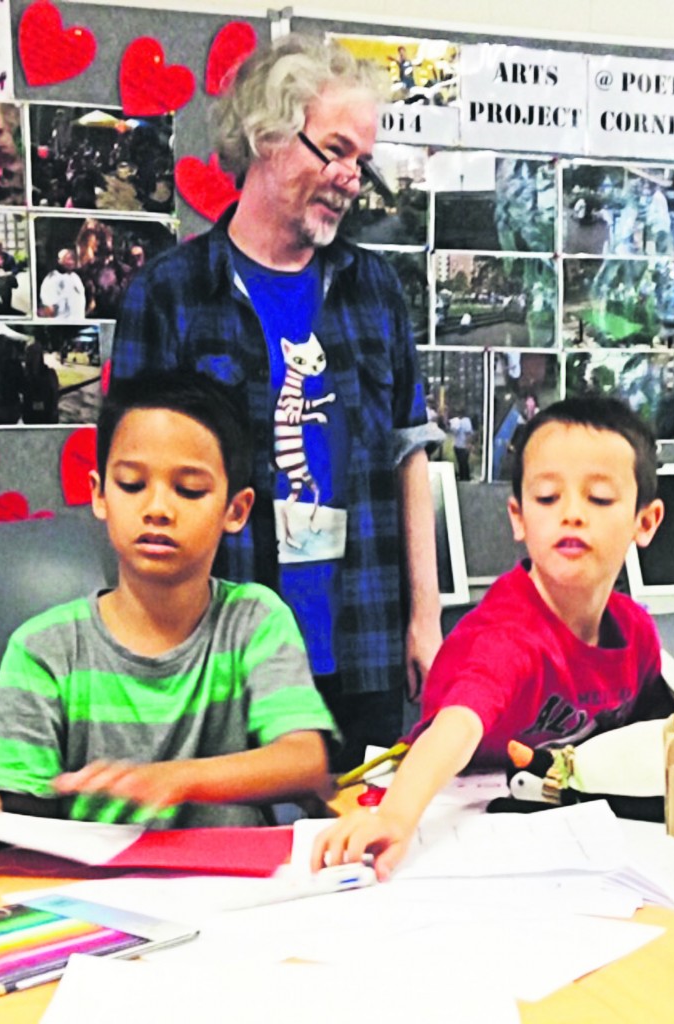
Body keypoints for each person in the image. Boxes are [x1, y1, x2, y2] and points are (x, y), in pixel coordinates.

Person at [111, 35, 443, 771]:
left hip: (362, 641)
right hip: (220, 652)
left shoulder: (376, 290)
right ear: (266, 136)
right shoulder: (170, 293)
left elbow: (408, 452)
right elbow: (130, 486)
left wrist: (426, 619)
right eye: (335, 150)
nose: (352, 178)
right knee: (227, 859)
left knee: (361, 858)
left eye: (362, 160)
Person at [0, 371, 337, 827]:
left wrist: (175, 779)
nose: (157, 509)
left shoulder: (254, 621)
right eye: (131, 484)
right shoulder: (45, 648)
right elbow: (14, 805)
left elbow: (304, 761)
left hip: (232, 887)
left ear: (236, 509)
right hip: (89, 891)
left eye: (189, 489)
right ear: (99, 495)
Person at [313, 396, 674, 878]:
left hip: (563, 827)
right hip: (450, 812)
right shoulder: (508, 634)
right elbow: (459, 726)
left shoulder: (636, 634)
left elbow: (660, 737)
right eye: (547, 497)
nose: (571, 514)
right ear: (519, 517)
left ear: (645, 521)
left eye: (600, 498)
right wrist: (396, 818)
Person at [39, 248, 86, 319]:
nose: (71, 261)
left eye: (73, 258)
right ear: (59, 261)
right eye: (68, 258)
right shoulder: (52, 279)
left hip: (79, 325)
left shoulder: (75, 277)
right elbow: (49, 309)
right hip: (62, 326)